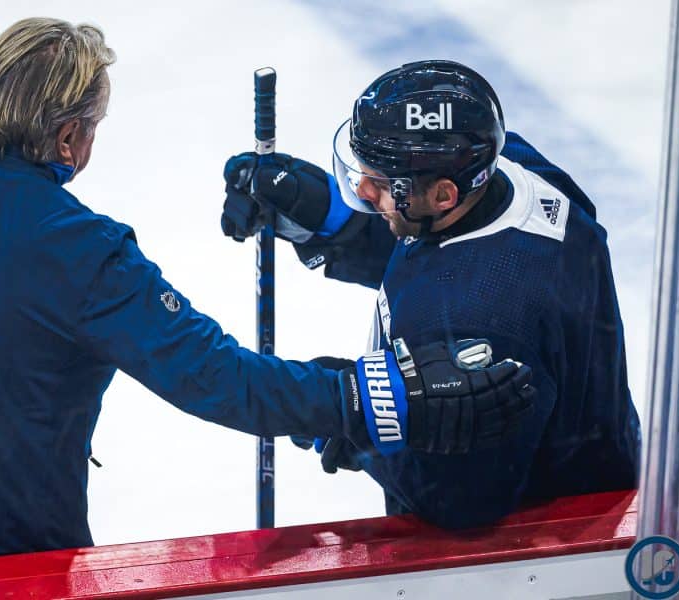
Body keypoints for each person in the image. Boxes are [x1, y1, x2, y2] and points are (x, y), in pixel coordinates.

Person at [0, 24, 534, 575]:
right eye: (92, 126)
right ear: (68, 140)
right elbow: (219, 380)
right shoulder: (78, 247)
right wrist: (372, 397)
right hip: (7, 570)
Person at [221, 60, 641, 530]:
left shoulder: (476, 321)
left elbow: (460, 501)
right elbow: (449, 255)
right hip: (599, 466)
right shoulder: (514, 169)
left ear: (443, 195)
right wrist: (328, 219)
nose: (360, 189)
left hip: (538, 560)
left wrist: (350, 417)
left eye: (378, 184)